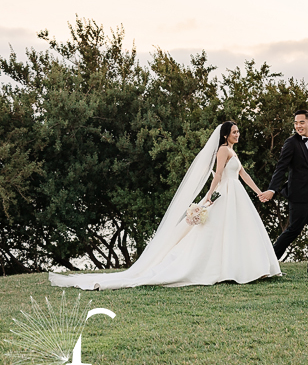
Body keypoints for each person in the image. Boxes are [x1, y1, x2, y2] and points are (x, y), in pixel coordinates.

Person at [49, 122, 281, 290]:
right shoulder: (222, 150)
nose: (238, 135)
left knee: (239, 230)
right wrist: (208, 197)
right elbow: (218, 174)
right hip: (225, 193)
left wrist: (259, 192)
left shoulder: (233, 151)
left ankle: (245, 267)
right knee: (217, 231)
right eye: (234, 132)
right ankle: (224, 269)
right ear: (225, 136)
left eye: (238, 132)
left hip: (237, 194)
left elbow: (243, 173)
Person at [259, 109, 308, 273]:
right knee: (294, 230)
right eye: (296, 123)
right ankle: (267, 264)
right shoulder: (291, 143)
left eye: (301, 122)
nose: (298, 126)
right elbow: (281, 168)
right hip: (298, 194)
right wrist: (272, 189)